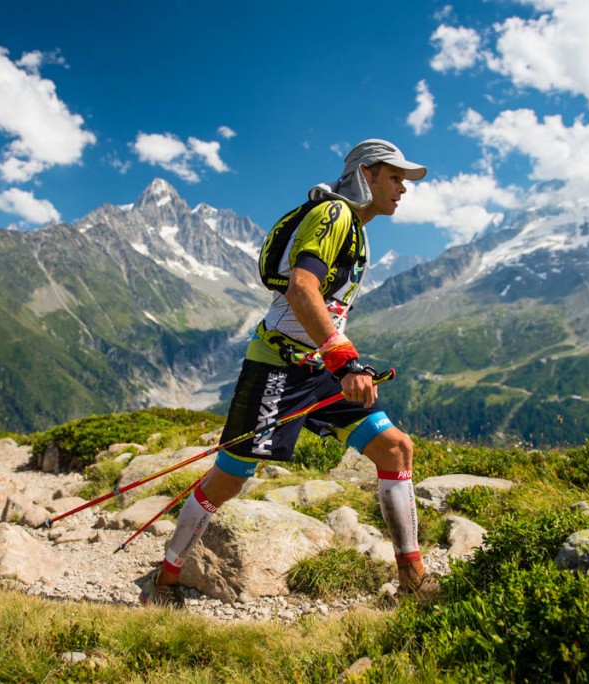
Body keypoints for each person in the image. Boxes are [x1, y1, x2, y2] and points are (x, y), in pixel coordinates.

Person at [140, 139, 438, 608]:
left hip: (320, 367)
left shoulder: (357, 228)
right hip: (279, 364)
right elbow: (302, 288)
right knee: (231, 475)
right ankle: (167, 575)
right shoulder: (335, 216)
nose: (403, 188)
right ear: (368, 174)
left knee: (396, 449)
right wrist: (346, 361)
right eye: (395, 177)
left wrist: (337, 360)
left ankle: (413, 579)